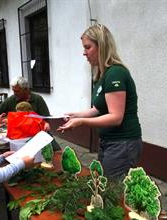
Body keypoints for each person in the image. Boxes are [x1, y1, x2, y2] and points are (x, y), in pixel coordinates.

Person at [58, 24, 142, 179]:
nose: (84, 53)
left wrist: (82, 122)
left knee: (112, 190)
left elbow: (116, 117)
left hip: (122, 144)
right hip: (109, 141)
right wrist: (75, 115)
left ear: (101, 46)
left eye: (88, 47)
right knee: (103, 185)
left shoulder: (115, 73)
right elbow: (96, 109)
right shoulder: (102, 75)